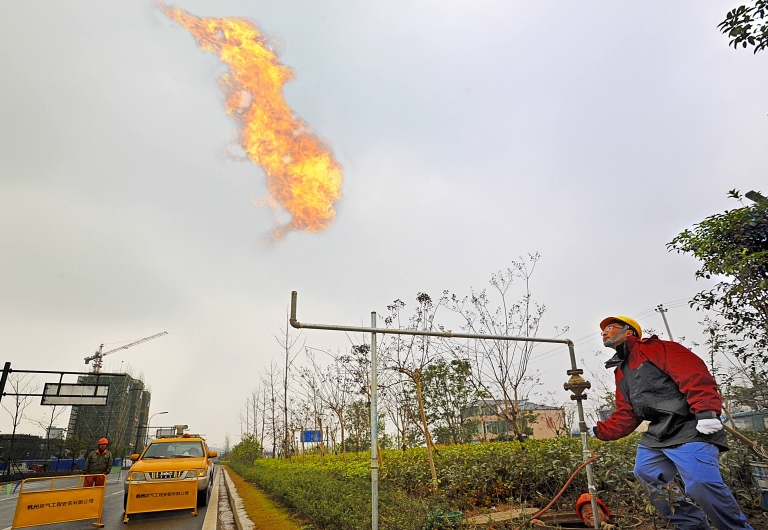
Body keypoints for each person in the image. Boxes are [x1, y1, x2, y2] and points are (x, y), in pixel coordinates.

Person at [593, 316, 753, 530]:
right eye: (603, 330)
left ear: (629, 332)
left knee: (701, 484)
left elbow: (692, 372)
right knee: (646, 472)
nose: (604, 332)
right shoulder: (621, 370)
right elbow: (627, 411)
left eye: (611, 327)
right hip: (659, 432)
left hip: (690, 425)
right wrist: (602, 430)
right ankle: (692, 525)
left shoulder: (657, 348)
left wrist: (706, 411)